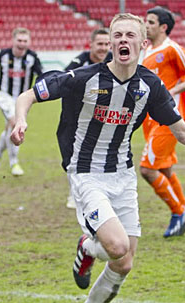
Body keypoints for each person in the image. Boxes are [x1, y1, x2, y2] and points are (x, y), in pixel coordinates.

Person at [10, 13, 185, 303]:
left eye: (130, 35)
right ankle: (88, 248)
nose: (123, 40)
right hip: (86, 172)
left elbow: (182, 132)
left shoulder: (149, 86)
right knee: (116, 246)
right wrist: (20, 121)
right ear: (112, 44)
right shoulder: (85, 77)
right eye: (118, 36)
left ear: (142, 44)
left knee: (124, 263)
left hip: (123, 175)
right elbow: (27, 96)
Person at [139, 6, 185, 238]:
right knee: (164, 168)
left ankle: (180, 213)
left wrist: (170, 91)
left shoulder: (172, 48)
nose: (146, 25)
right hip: (150, 120)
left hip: (169, 119)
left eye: (151, 22)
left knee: (147, 169)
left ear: (163, 27)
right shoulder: (146, 51)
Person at [0, 27, 42, 176]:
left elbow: (41, 75)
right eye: (19, 40)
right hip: (4, 94)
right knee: (15, 123)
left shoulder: (33, 57)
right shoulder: (3, 54)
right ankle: (14, 162)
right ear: (13, 40)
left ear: (29, 42)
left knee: (11, 127)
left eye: (25, 41)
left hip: (23, 98)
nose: (22, 43)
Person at [63, 28, 111, 209]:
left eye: (107, 44)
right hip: (77, 117)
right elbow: (64, 81)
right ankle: (74, 193)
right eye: (100, 44)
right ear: (90, 44)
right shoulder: (79, 62)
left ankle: (102, 192)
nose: (104, 48)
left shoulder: (114, 61)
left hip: (103, 117)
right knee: (75, 155)